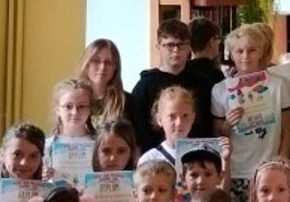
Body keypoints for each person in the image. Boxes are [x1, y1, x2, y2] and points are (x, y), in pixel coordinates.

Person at [212, 22, 290, 195]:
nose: (245, 56)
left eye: (252, 50)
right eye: (239, 51)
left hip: (268, 170)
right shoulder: (220, 90)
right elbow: (218, 136)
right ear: (231, 54)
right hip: (234, 172)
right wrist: (228, 124)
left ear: (261, 52)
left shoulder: (279, 85)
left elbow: (288, 132)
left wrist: (279, 165)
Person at [129, 18, 192, 151]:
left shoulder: (203, 81)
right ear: (158, 46)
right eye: (169, 45)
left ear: (189, 47)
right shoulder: (145, 85)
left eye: (181, 44)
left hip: (195, 155)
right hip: (156, 155)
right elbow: (138, 130)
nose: (176, 50)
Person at [182, 17, 227, 139]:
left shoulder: (182, 71)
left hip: (186, 134)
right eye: (217, 39)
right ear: (211, 41)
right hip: (209, 135)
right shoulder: (215, 75)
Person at [78, 38, 129, 127]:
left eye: (108, 62)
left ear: (115, 68)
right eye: (96, 61)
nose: (102, 67)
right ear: (86, 64)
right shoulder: (74, 100)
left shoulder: (128, 102)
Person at [51, 77, 96, 143]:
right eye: (68, 106)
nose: (75, 112)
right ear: (57, 109)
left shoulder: (100, 145)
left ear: (90, 109)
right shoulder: (47, 146)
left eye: (81, 106)